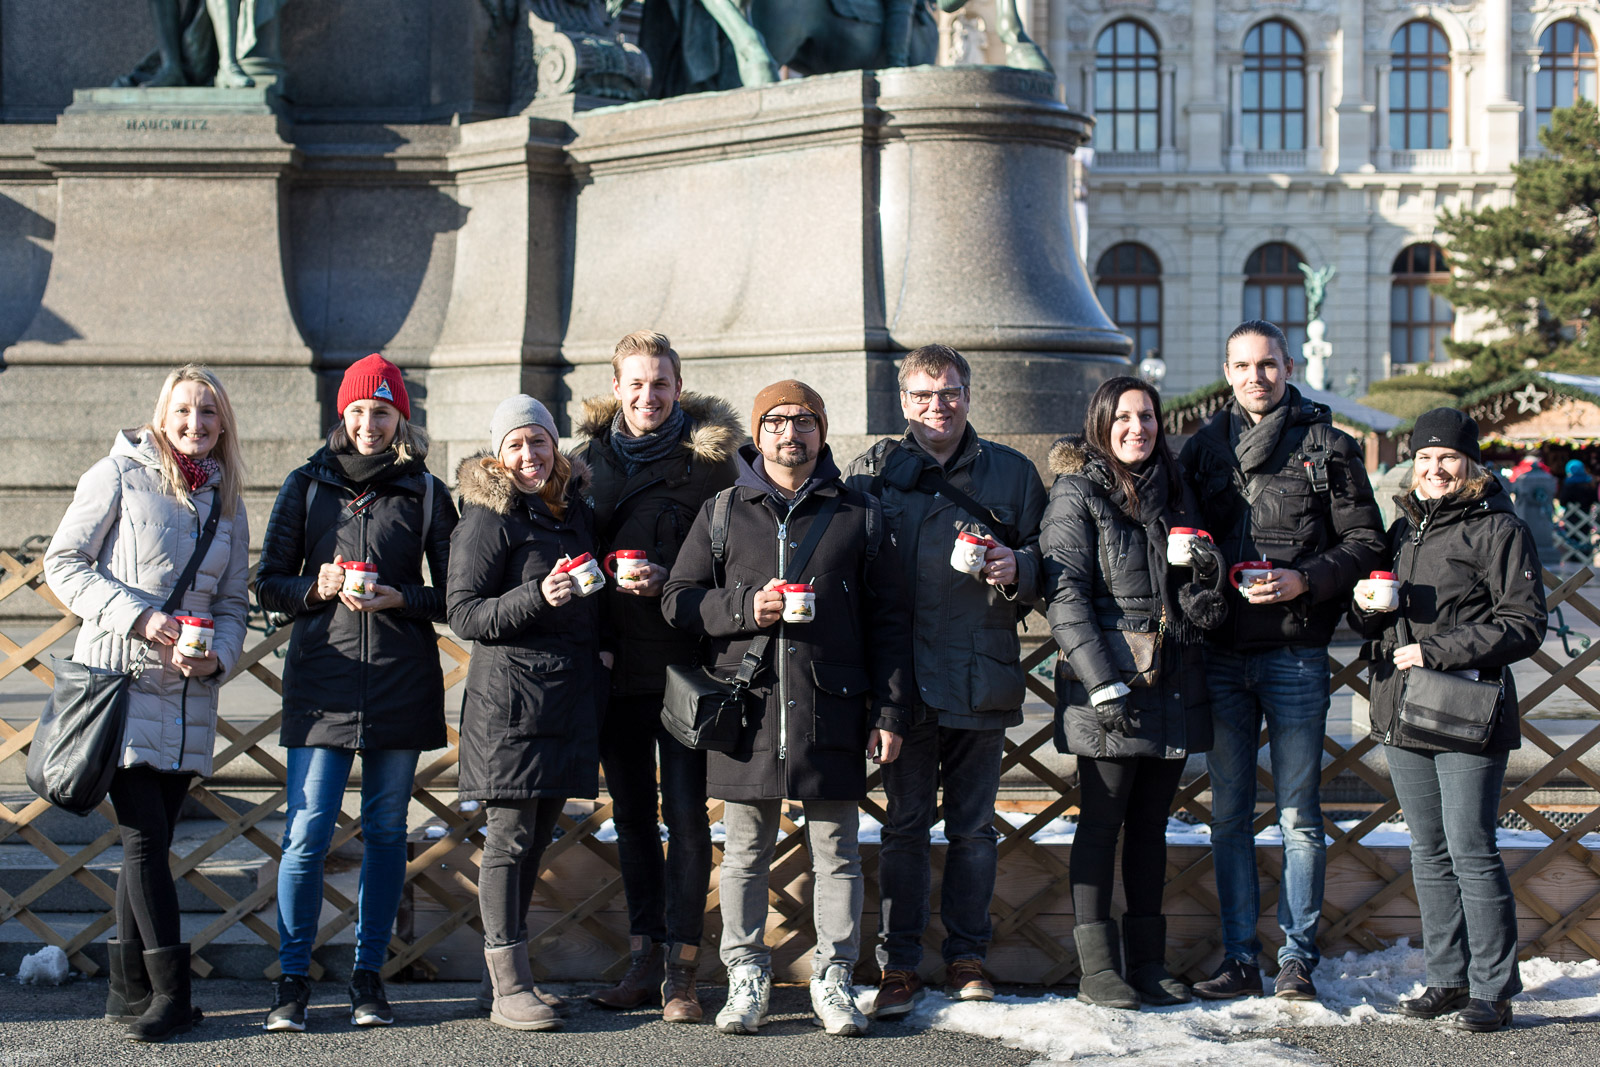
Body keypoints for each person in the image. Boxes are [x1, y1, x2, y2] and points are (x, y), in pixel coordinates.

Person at [663, 380, 914, 1038]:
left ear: (822, 431)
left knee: (837, 852)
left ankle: (835, 976)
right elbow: (679, 598)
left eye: (804, 421)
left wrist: (889, 713)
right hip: (748, 710)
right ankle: (747, 974)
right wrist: (746, 610)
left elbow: (889, 621)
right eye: (775, 421)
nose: (789, 433)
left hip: (832, 708)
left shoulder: (857, 512)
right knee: (744, 851)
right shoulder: (724, 510)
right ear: (758, 432)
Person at [1178, 320, 1385, 1000]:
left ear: (1288, 365)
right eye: (1242, 365)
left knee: (1299, 814)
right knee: (1230, 813)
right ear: (1227, 369)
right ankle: (1240, 956)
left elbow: (1366, 543)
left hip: (1295, 652)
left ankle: (1297, 958)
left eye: (1267, 364)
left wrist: (1307, 579)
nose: (1255, 376)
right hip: (1222, 652)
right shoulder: (1204, 448)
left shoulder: (1328, 445)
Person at [44, 365, 251, 1042]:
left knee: (153, 836)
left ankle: (127, 990)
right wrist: (140, 618)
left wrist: (216, 652)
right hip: (123, 683)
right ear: (161, 415)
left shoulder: (226, 498)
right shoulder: (118, 473)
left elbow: (230, 602)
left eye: (208, 413)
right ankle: (173, 996)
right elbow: (64, 562)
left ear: (223, 425)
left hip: (186, 692)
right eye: (184, 410)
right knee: (143, 840)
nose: (196, 424)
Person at [254, 354, 458, 1032]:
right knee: (307, 833)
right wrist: (318, 586)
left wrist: (405, 597)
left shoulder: (425, 491)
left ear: (401, 416)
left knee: (384, 831)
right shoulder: (306, 486)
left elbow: (458, 593)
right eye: (358, 411)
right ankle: (292, 978)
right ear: (341, 415)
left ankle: (368, 976)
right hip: (323, 681)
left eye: (382, 411)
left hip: (401, 681)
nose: (369, 423)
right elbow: (269, 583)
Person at [841, 344, 1046, 1015]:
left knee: (973, 830)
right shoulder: (872, 470)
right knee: (902, 828)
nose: (939, 406)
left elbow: (1050, 561)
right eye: (924, 395)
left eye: (951, 392)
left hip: (978, 673)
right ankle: (898, 963)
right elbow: (847, 565)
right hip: (900, 686)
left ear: (968, 395)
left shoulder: (1011, 474)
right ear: (903, 401)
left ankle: (967, 954)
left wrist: (1019, 568)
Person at [1350, 408, 1547, 1033]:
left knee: (1471, 849)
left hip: (1465, 708)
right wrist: (1368, 608)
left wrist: (1436, 649)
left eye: (1448, 458)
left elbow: (1524, 624)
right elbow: (1379, 620)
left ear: (1471, 463)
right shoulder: (1403, 531)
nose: (1434, 469)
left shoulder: (1500, 530)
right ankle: (1447, 979)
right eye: (1425, 458)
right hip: (1405, 707)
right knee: (1429, 850)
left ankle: (1493, 988)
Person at [572, 331, 740, 1021]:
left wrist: (677, 583)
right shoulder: (583, 465)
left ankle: (683, 971)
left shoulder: (714, 466)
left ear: (679, 386)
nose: (648, 396)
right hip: (613, 667)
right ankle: (643, 958)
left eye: (660, 383)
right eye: (635, 384)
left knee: (688, 819)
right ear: (616, 388)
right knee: (634, 818)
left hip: (684, 668)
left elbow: (742, 560)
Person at [1042, 377, 1225, 1009]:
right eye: (1123, 417)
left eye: (1146, 416)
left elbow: (1200, 610)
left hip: (1171, 680)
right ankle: (1098, 970)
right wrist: (1101, 684)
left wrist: (1207, 574)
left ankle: (1148, 963)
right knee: (1101, 823)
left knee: (1151, 827)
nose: (1136, 428)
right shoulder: (1077, 492)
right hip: (1111, 687)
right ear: (1100, 422)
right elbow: (1063, 598)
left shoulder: (1176, 491)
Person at [447, 394, 606, 1032]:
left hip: (565, 701)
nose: (528, 455)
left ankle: (515, 984)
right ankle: (508, 987)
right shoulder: (489, 518)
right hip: (509, 708)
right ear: (499, 454)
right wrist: (535, 595)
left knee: (535, 838)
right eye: (515, 444)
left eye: (538, 441)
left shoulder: (572, 515)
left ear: (554, 446)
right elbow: (464, 614)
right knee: (508, 843)